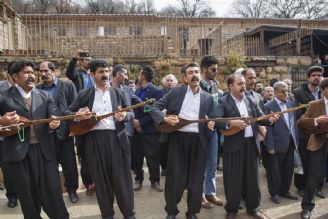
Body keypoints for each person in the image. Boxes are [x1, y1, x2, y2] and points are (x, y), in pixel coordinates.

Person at [63, 60, 135, 219]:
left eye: (108, 71)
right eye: (101, 72)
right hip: (93, 141)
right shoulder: (84, 94)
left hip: (117, 140)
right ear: (92, 73)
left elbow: (131, 114)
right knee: (101, 183)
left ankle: (129, 214)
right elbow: (67, 112)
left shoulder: (120, 93)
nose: (105, 75)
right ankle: (107, 214)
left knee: (122, 181)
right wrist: (77, 115)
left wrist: (125, 116)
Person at [0, 60, 69, 219]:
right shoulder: (4, 97)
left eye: (32, 72)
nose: (31, 76)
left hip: (45, 153)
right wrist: (2, 120)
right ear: (15, 77)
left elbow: (54, 115)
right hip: (19, 156)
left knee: (53, 194)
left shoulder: (45, 96)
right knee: (29, 198)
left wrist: (54, 123)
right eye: (26, 73)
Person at [150, 62, 217, 219]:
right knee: (175, 179)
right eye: (190, 72)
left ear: (200, 74)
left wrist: (209, 125)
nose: (194, 75)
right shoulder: (176, 93)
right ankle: (171, 211)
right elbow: (154, 108)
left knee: (196, 180)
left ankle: (192, 212)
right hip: (178, 139)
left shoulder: (207, 97)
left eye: (196, 72)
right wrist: (165, 119)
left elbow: (210, 121)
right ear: (185, 77)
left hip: (198, 142)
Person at [216, 73, 279, 219]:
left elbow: (260, 118)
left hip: (252, 145)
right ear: (231, 86)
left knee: (253, 179)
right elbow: (217, 121)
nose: (244, 86)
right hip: (233, 147)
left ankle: (254, 208)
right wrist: (232, 123)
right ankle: (231, 210)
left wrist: (271, 120)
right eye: (240, 84)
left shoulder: (251, 100)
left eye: (244, 83)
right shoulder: (223, 101)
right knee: (232, 180)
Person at [36, 61, 79, 203]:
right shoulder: (37, 89)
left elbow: (74, 107)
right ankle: (53, 192)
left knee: (69, 164)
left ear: (55, 71)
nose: (43, 74)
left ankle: (72, 190)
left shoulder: (67, 85)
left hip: (65, 132)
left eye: (46, 71)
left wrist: (73, 129)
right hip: (45, 134)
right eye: (41, 71)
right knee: (49, 165)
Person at [297, 78, 328, 219]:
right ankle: (307, 207)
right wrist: (316, 120)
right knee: (314, 176)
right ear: (323, 90)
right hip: (319, 143)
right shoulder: (314, 105)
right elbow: (301, 122)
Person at [264, 81, 299, 204]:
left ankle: (285, 190)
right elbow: (267, 127)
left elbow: (293, 124)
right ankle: (274, 193)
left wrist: (296, 141)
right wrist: (270, 145)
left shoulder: (290, 104)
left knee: (288, 169)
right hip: (276, 142)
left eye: (287, 91)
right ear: (277, 92)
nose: (287, 93)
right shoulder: (269, 106)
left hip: (290, 142)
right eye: (284, 91)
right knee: (274, 170)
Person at [65, 50, 95, 195]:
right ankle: (88, 184)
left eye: (90, 59)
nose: (88, 61)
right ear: (82, 62)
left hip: (95, 114)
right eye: (85, 60)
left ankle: (98, 182)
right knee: (84, 154)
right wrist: (74, 59)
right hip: (81, 113)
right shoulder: (78, 75)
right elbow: (69, 73)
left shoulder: (96, 75)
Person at [293, 65, 325, 198]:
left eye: (319, 75)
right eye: (314, 75)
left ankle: (318, 187)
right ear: (308, 77)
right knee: (304, 161)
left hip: (321, 135)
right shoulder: (298, 92)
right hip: (305, 134)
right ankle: (301, 187)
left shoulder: (324, 92)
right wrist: (315, 122)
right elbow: (298, 115)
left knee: (320, 163)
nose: (317, 77)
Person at [133, 65, 163, 192]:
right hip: (136, 131)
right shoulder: (137, 91)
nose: (138, 77)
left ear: (143, 76)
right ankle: (138, 179)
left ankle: (155, 180)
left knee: (152, 157)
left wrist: (140, 123)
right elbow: (133, 108)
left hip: (150, 130)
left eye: (140, 74)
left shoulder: (156, 91)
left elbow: (156, 112)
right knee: (137, 157)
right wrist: (134, 121)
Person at [199, 56, 223, 209]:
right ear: (204, 70)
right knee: (200, 164)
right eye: (213, 69)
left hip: (213, 130)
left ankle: (210, 192)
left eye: (217, 69)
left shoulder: (215, 87)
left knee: (212, 162)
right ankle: (199, 194)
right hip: (199, 130)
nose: (216, 71)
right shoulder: (196, 86)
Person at [111, 64, 141, 173]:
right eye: (125, 74)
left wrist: (153, 108)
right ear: (118, 74)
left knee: (125, 160)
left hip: (126, 130)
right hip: (109, 131)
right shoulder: (105, 89)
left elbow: (138, 102)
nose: (127, 77)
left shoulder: (127, 90)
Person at [0, 62, 18, 208]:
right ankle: (12, 195)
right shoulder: (1, 88)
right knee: (7, 168)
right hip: (4, 136)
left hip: (22, 134)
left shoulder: (28, 89)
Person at [159, 73, 178, 176]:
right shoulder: (160, 92)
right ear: (164, 81)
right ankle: (164, 167)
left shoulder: (177, 92)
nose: (170, 82)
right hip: (162, 123)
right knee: (163, 145)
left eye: (171, 80)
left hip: (175, 122)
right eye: (168, 80)